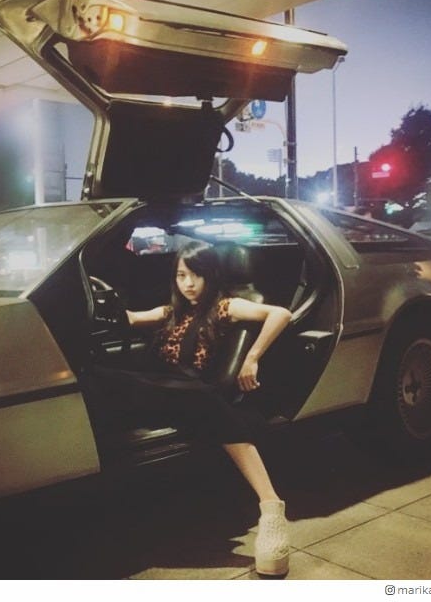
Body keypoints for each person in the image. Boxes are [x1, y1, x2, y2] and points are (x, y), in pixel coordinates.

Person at [88, 240, 293, 576]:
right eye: (182, 275)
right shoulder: (171, 312)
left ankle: (271, 507)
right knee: (95, 373)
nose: (189, 283)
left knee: (203, 400)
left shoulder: (225, 306)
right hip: (160, 389)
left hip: (193, 392)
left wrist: (252, 358)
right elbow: (130, 318)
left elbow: (281, 314)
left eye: (197, 275)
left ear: (211, 275)